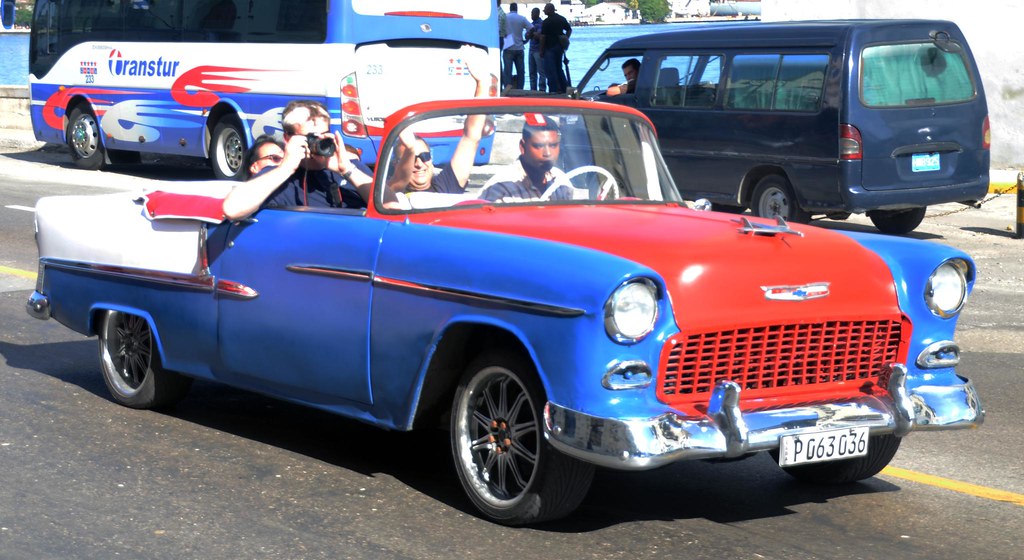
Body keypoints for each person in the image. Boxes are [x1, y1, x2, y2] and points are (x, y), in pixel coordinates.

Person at [222, 100, 373, 220]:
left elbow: (392, 207)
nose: (318, 143)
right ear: (288, 139)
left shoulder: (349, 168)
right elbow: (232, 209)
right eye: (311, 137)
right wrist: (286, 168)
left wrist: (347, 170)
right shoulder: (280, 177)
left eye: (324, 135)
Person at [387, 50, 494, 195]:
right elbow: (395, 185)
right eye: (412, 158)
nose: (419, 164)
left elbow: (471, 137)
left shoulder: (446, 186)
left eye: (425, 157)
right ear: (396, 165)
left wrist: (482, 84)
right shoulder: (389, 194)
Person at [480, 114, 573, 202]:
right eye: (539, 146)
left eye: (553, 145)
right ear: (522, 147)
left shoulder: (562, 182)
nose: (548, 153)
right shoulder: (501, 190)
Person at [539, 2, 572, 94]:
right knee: (559, 68)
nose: (544, 11)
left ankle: (553, 90)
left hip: (549, 47)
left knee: (550, 70)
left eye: (545, 9)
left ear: (549, 10)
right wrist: (566, 38)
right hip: (560, 48)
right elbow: (569, 29)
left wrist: (541, 50)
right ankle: (564, 88)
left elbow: (543, 37)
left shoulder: (546, 22)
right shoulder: (561, 19)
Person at [502, 3, 531, 91]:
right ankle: (520, 89)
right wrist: (526, 40)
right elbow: (531, 28)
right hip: (519, 48)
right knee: (521, 71)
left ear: (510, 8)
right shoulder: (522, 18)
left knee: (507, 71)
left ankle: (507, 89)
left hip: (508, 47)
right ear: (517, 9)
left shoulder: (505, 17)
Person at [526, 7, 546, 91]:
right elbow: (526, 36)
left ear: (537, 13)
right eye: (531, 13)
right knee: (532, 72)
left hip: (538, 50)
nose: (531, 15)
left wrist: (531, 34)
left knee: (541, 71)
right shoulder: (531, 24)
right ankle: (533, 89)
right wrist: (532, 34)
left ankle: (542, 89)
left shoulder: (541, 23)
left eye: (533, 13)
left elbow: (540, 35)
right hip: (531, 50)